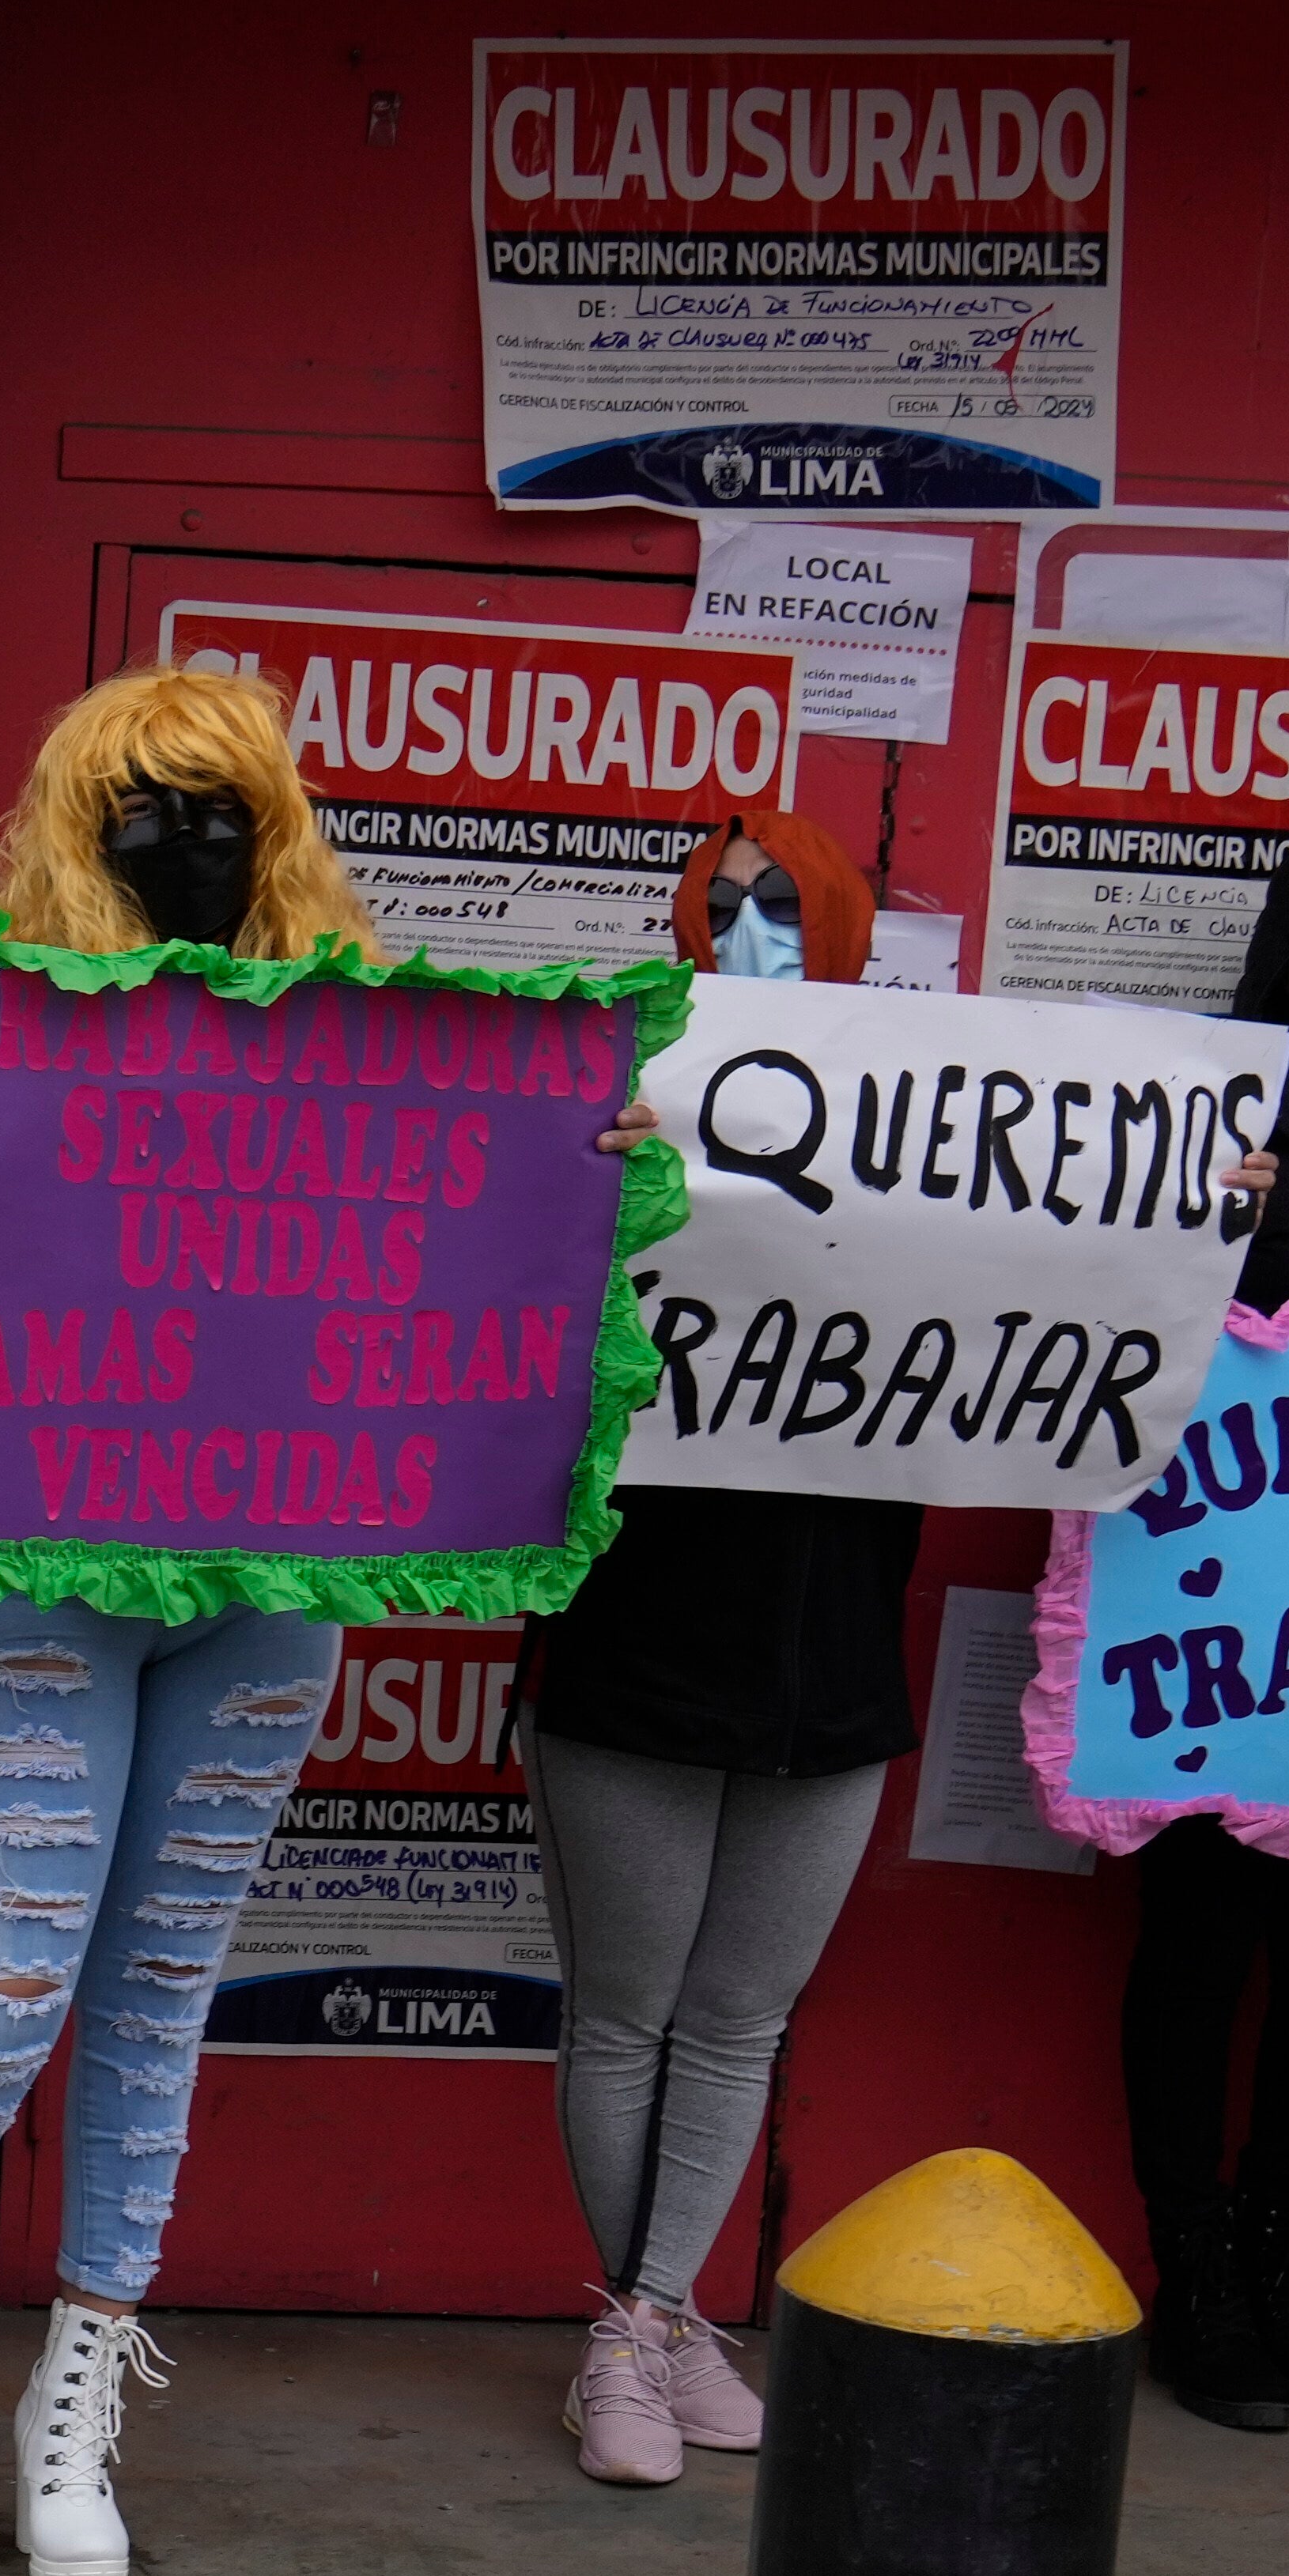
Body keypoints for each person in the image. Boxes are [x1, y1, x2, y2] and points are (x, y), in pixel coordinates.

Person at [0, 666, 654, 2576]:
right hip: (33, 1579)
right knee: (2, 1993)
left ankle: (77, 2410)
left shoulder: (364, 1043)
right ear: (72, 826)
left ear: (271, 832)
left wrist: (579, 1174)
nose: (178, 840)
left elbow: (483, 1284)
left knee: (158, 2000)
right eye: (140, 805)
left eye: (218, 806)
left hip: (269, 1592)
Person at [506, 807, 912, 2484]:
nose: (746, 931)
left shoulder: (923, 1121)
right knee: (624, 2012)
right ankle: (632, 2337)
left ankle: (656, 2318)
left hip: (835, 1658)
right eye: (720, 904)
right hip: (639, 1632)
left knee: (738, 2017)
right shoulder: (622, 1096)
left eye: (781, 906)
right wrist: (577, 1178)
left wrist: (1182, 1214)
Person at [1116, 826, 1289, 2430]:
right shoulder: (1220, 1108)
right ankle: (1191, 2270)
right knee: (1203, 1942)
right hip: (1227, 1596)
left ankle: (1278, 2261)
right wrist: (1196, 1219)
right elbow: (1100, 1305)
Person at [668, 806, 877, 987]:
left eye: (781, 894)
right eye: (717, 902)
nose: (750, 925)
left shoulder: (884, 1023)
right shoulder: (666, 1023)